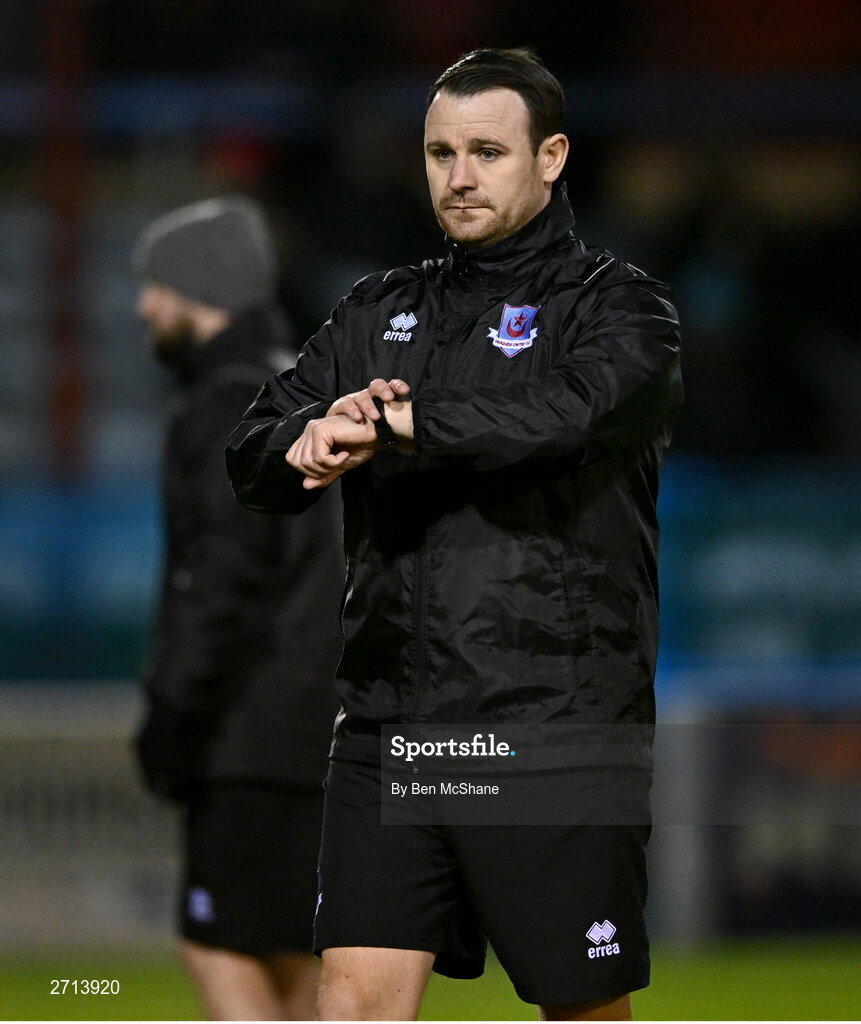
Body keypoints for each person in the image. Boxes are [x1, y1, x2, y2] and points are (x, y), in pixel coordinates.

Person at [226, 49, 683, 1022]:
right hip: (389, 724)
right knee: (352, 1002)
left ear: (551, 156)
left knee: (581, 1005)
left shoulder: (619, 310)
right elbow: (254, 451)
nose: (459, 176)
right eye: (440, 152)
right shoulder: (376, 310)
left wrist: (405, 421)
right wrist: (302, 444)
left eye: (486, 151)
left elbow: (565, 417)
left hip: (548, 725)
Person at [133, 196, 343, 1021]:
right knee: (294, 964)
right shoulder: (306, 388)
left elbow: (219, 581)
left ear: (196, 288)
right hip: (325, 724)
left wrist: (172, 715)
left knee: (216, 943)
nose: (145, 306)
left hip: (252, 730)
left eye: (155, 285)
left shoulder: (225, 402)